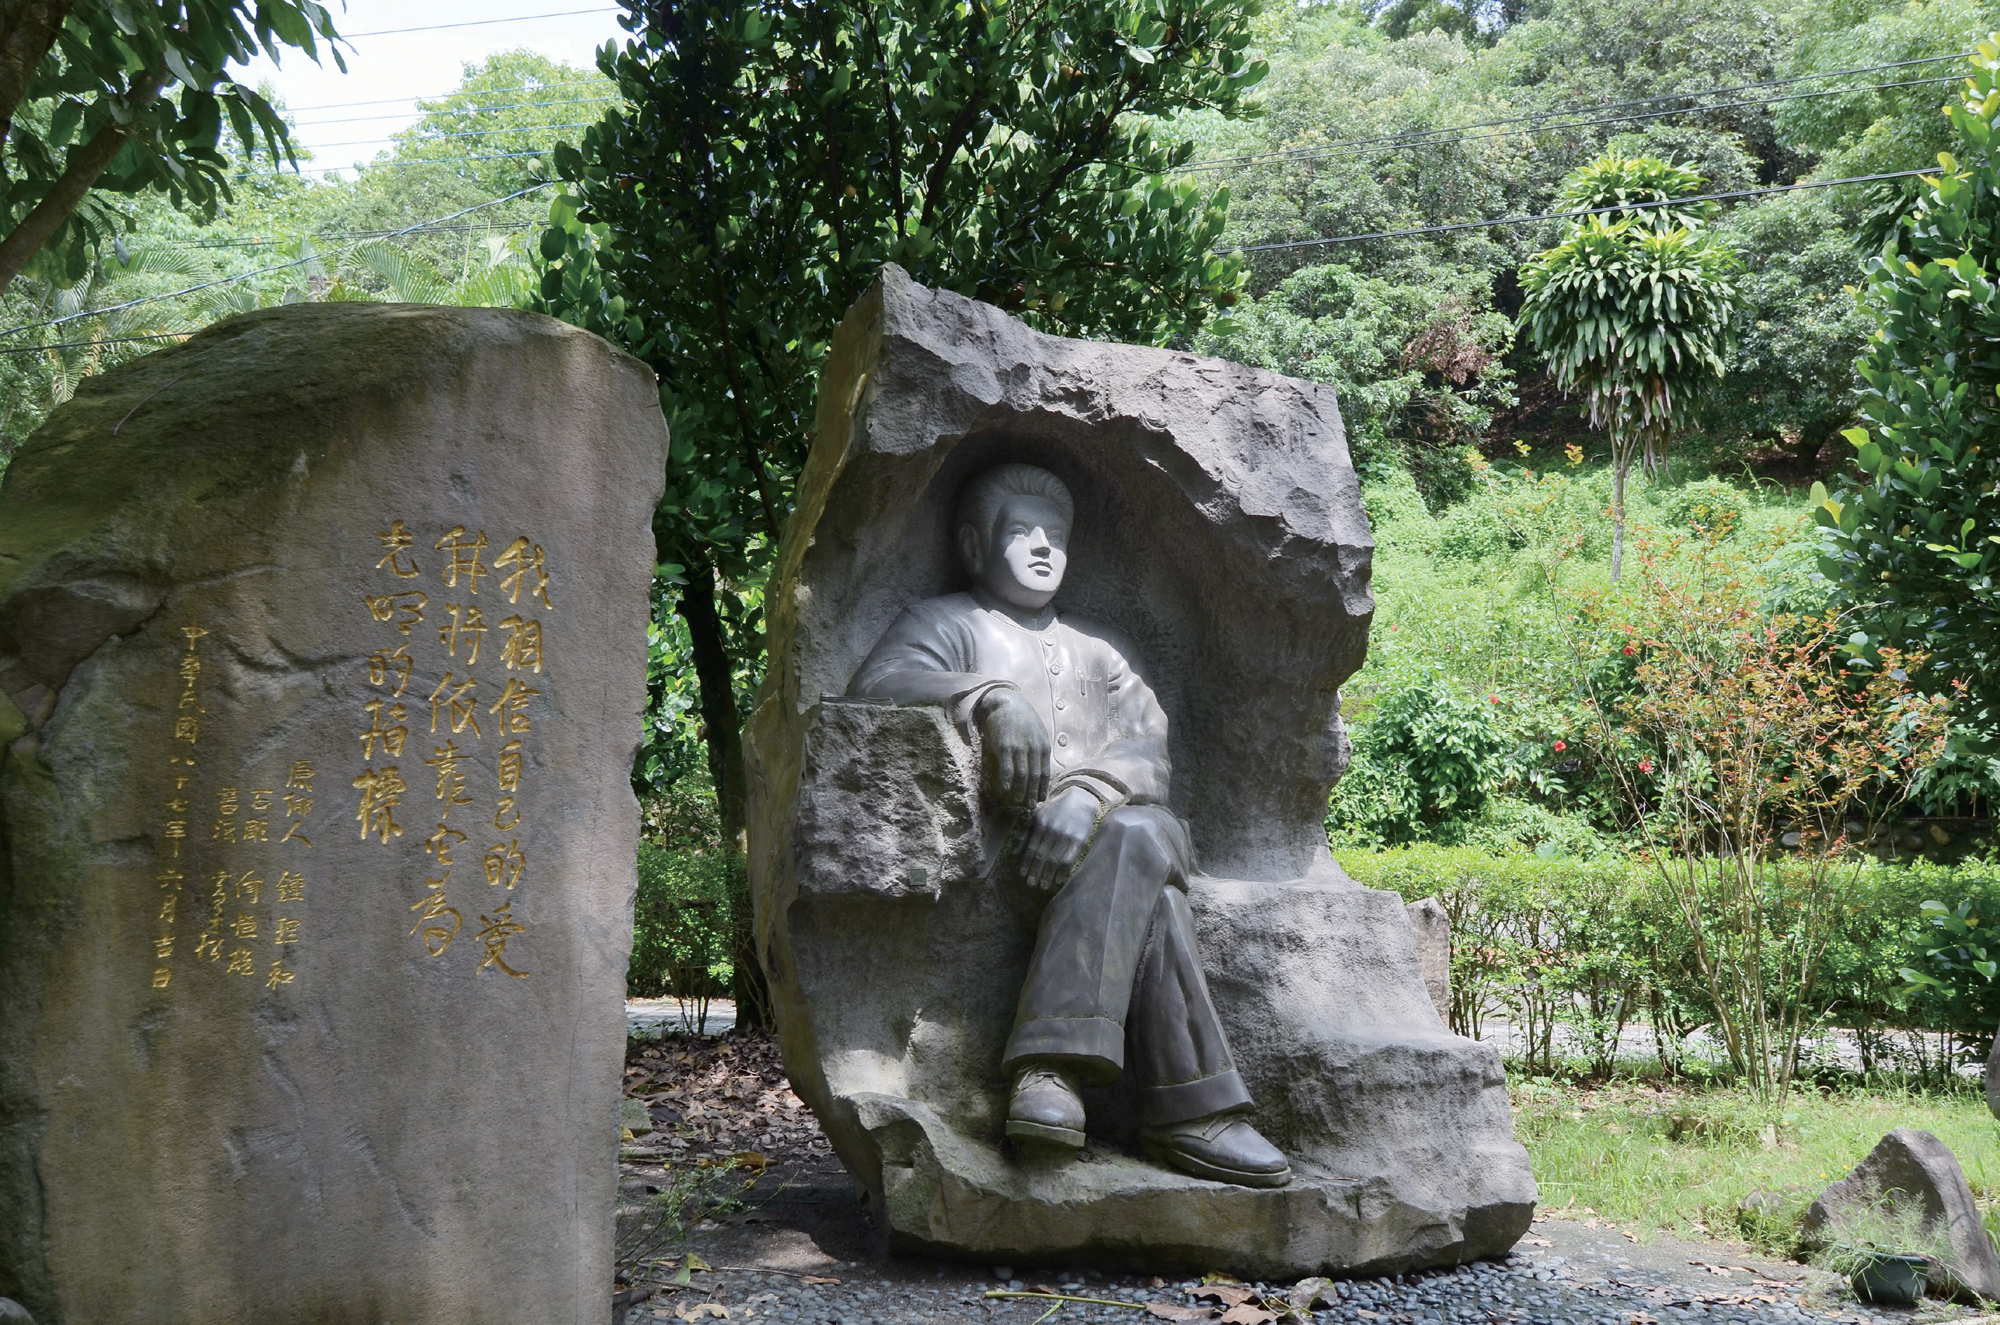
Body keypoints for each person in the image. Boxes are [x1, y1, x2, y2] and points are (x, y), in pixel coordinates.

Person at [848, 463, 1290, 1188]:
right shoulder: (945, 624)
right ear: (973, 545)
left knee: (1138, 833)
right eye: (1021, 531)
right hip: (1013, 858)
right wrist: (990, 695)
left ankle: (1050, 1067)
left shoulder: (1101, 651)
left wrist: (1088, 793)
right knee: (1156, 890)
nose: (1042, 546)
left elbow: (1150, 750)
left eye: (1055, 534)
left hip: (1124, 831)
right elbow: (877, 685)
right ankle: (1191, 1111)